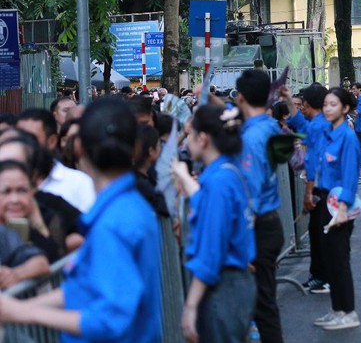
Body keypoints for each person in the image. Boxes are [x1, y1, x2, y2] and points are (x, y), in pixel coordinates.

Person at [0, 97, 162, 341]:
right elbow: (84, 287)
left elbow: (109, 320)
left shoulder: (114, 223)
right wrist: (17, 308)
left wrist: (25, 312)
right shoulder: (128, 208)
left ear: (78, 147)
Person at [172, 105, 257, 343]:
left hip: (223, 288)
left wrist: (190, 306)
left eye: (189, 134)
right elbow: (206, 205)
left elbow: (211, 254)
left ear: (203, 138)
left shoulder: (218, 182)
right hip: (234, 285)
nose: (186, 140)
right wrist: (185, 178)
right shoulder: (228, 172)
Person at [234, 69, 284, 343]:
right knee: (264, 302)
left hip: (257, 229)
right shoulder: (268, 126)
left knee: (262, 305)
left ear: (240, 97)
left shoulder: (251, 138)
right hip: (268, 223)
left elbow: (248, 194)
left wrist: (241, 243)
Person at [312, 88, 361, 331]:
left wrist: (342, 209)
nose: (327, 108)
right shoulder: (327, 132)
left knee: (339, 259)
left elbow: (350, 177)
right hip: (324, 201)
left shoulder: (348, 137)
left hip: (339, 206)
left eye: (333, 104)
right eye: (325, 104)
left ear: (344, 108)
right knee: (329, 259)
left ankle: (348, 311)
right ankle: (336, 309)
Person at [281, 84, 331, 295]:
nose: (299, 108)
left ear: (309, 104)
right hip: (324, 187)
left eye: (302, 104)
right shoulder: (317, 123)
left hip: (324, 188)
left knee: (322, 234)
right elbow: (301, 125)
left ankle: (325, 278)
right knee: (317, 233)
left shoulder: (320, 126)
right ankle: (318, 275)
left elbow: (314, 163)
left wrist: (309, 192)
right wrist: (288, 102)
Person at [15, 109, 96, 213]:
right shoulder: (5, 180)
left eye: (31, 138)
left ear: (52, 141)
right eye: (18, 138)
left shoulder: (79, 184)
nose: (23, 144)